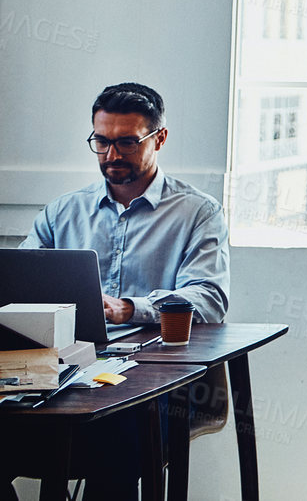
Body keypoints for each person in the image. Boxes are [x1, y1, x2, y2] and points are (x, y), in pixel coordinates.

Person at [5, 82, 229, 501]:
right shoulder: (63, 210)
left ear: (159, 138)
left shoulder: (198, 212)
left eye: (127, 142)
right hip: (64, 370)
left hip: (151, 378)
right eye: (101, 142)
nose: (111, 156)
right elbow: (16, 281)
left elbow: (209, 299)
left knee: (116, 434)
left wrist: (131, 308)